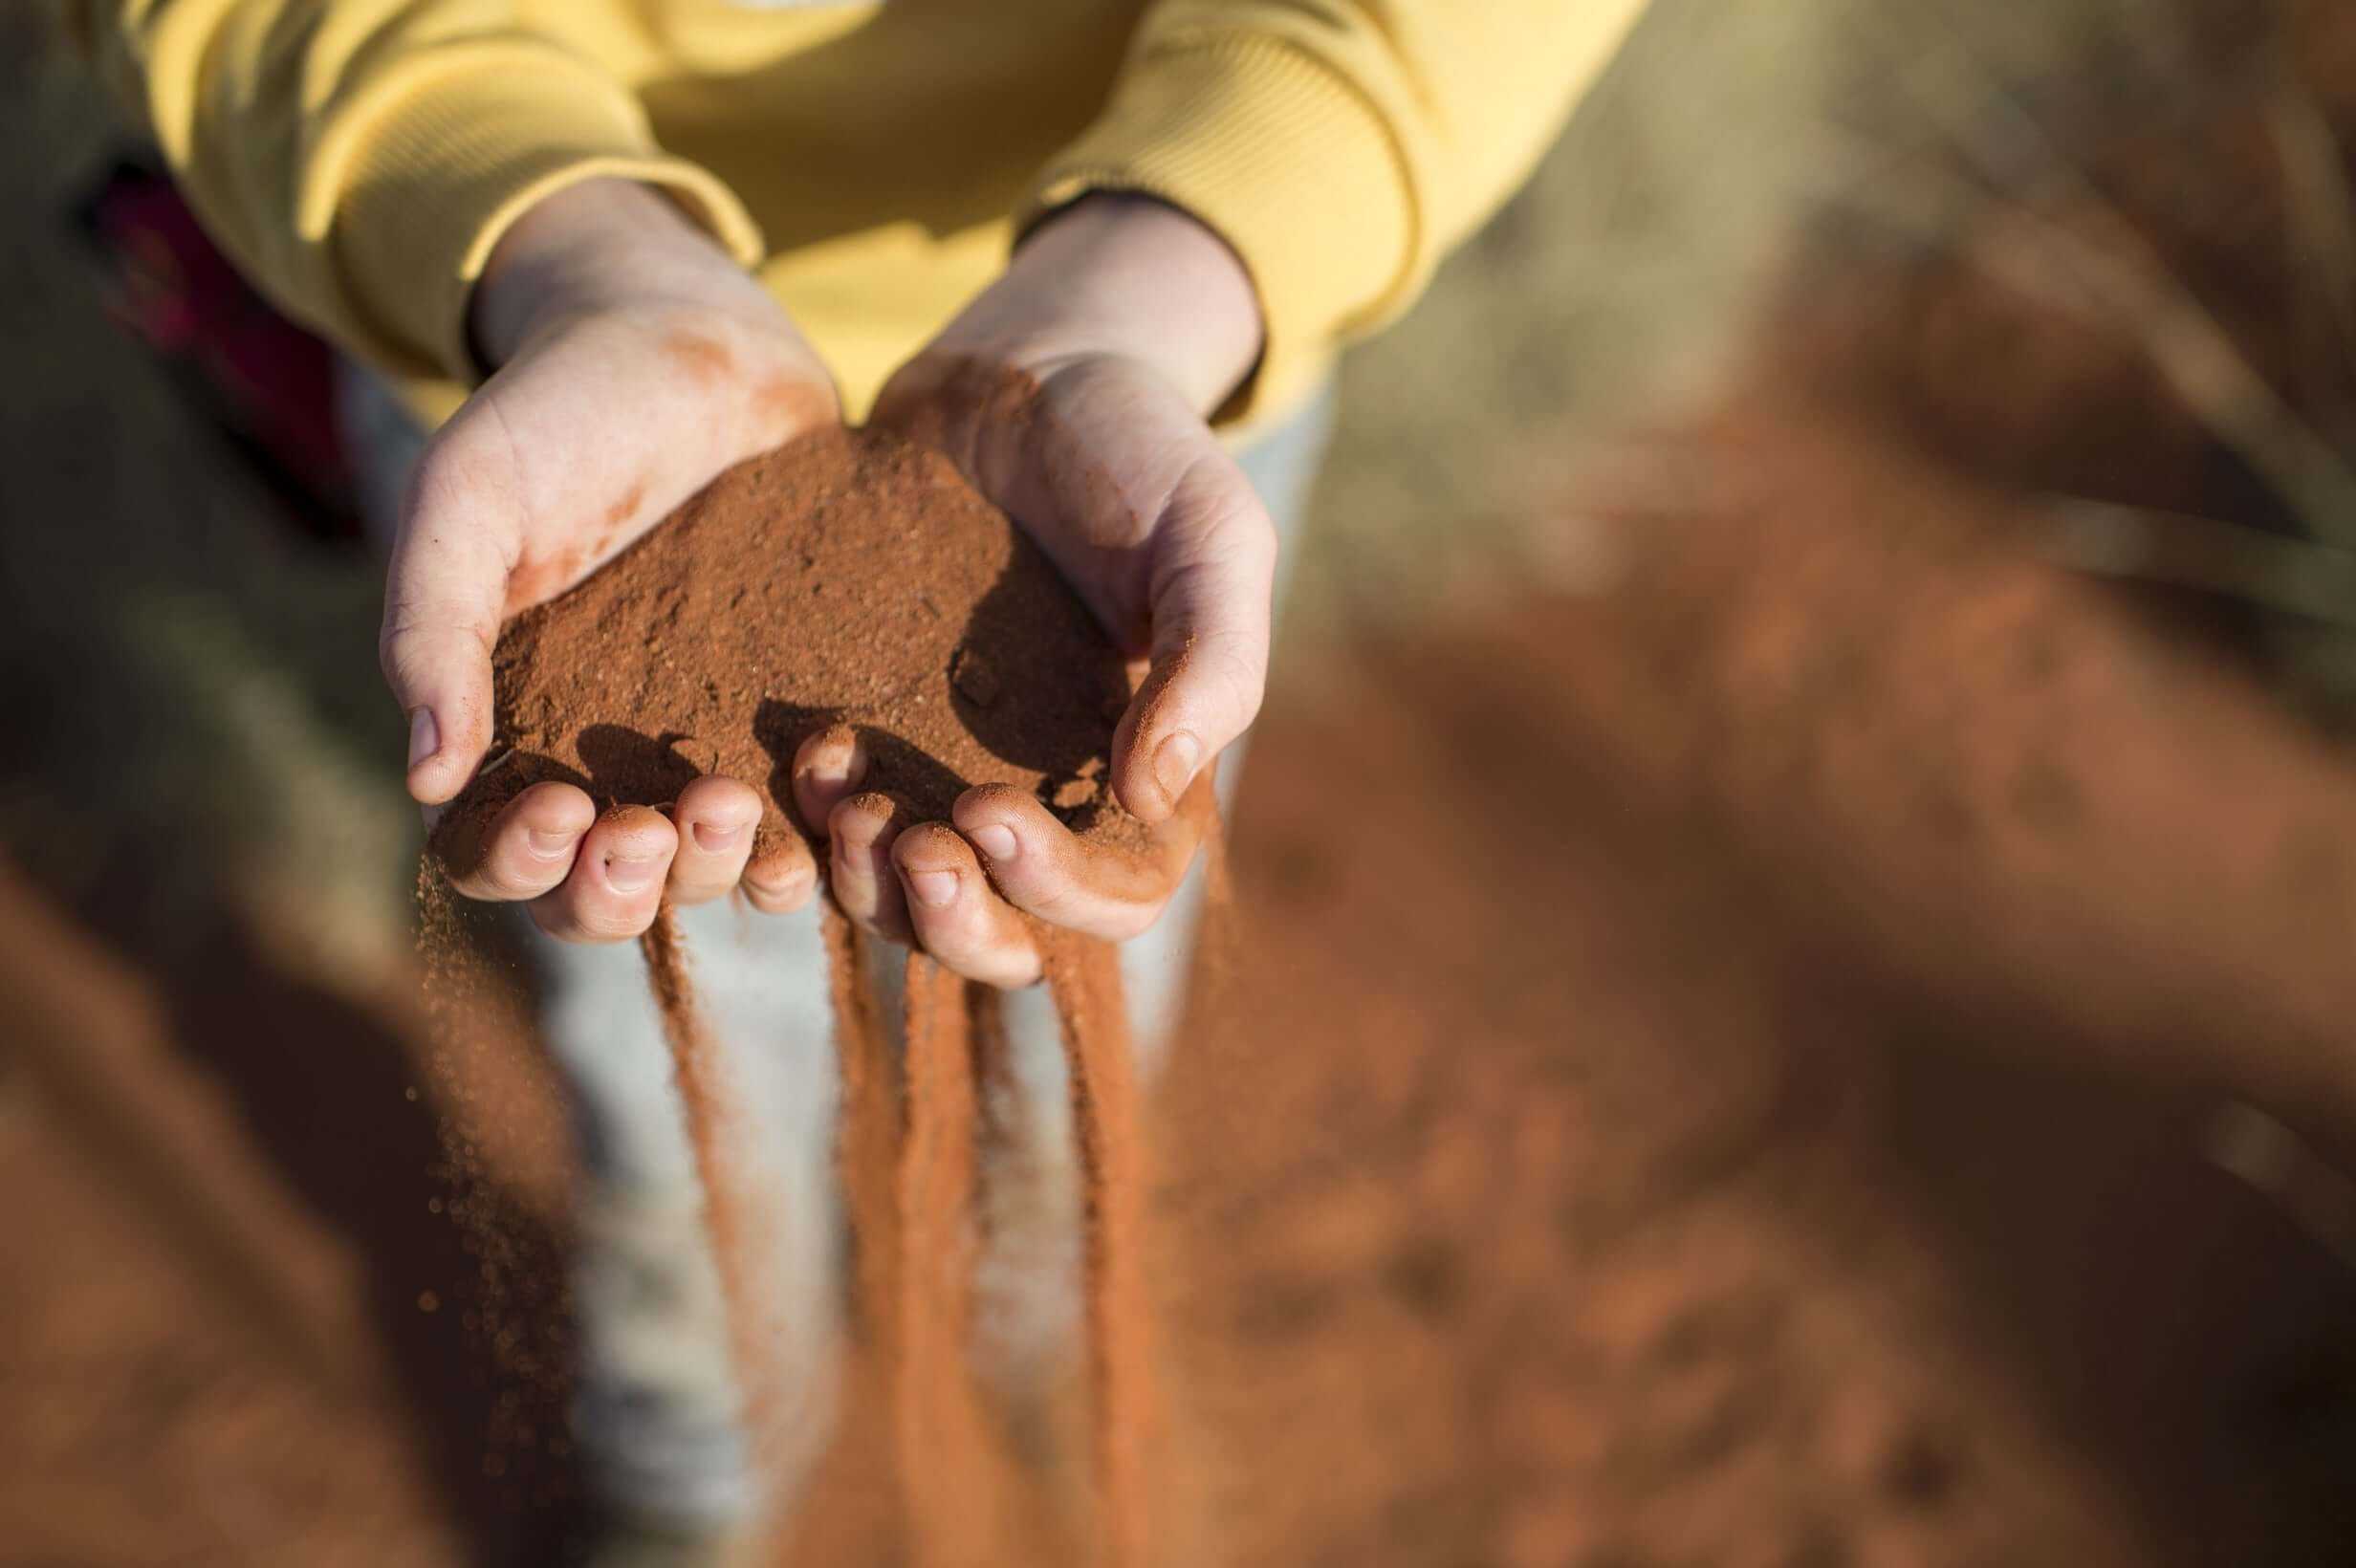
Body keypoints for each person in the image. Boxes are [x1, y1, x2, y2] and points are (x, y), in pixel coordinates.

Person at [71, 0, 1649, 1551]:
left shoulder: (1150, 341)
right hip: (536, 338)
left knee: (1077, 939)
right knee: (657, 1015)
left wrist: (1171, 264)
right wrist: (565, 251)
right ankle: (699, 1461)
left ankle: (1031, 1345)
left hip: (1151, 352)